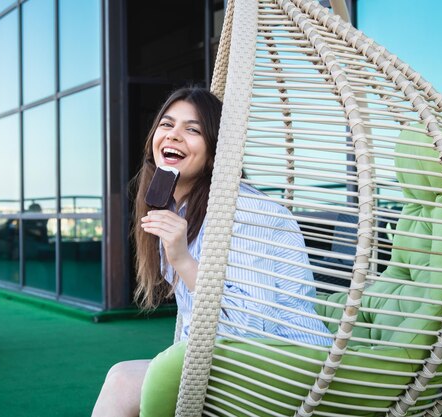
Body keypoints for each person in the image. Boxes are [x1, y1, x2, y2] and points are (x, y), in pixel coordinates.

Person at [91, 86, 331, 417]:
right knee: (127, 378)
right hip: (232, 357)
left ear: (215, 149)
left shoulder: (244, 210)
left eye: (192, 130)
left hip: (285, 361)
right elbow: (197, 321)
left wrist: (183, 260)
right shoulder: (181, 209)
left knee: (122, 380)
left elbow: (248, 327)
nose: (173, 136)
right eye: (167, 124)